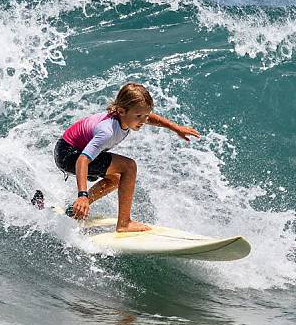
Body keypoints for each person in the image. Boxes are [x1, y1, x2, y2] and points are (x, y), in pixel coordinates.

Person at [33, 83, 200, 232]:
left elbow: (149, 117)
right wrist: (82, 194)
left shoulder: (126, 116)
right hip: (69, 154)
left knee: (115, 179)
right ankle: (124, 223)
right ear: (121, 111)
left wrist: (175, 127)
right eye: (139, 116)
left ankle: (73, 211)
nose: (143, 121)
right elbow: (82, 160)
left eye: (145, 116)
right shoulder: (108, 131)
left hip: (69, 149)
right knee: (129, 166)